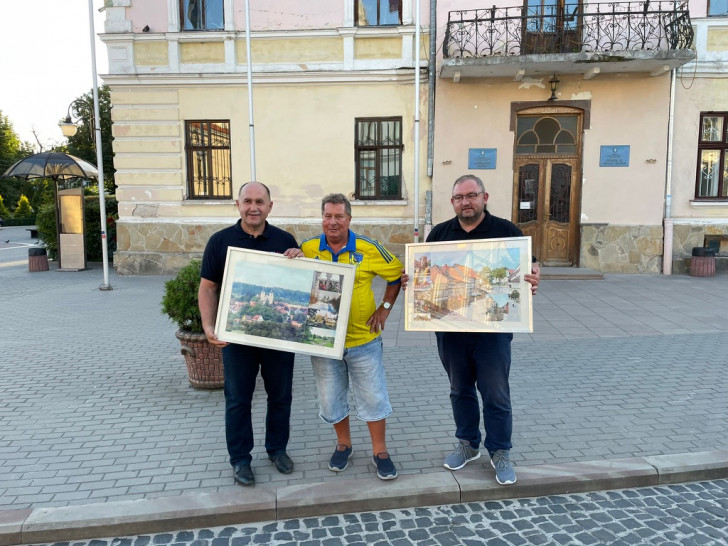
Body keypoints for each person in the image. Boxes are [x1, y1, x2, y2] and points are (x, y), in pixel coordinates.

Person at [426, 174, 540, 485]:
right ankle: (468, 444)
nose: (466, 202)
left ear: (484, 197)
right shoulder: (439, 234)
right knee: (459, 390)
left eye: (471, 195)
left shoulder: (507, 231)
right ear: (452, 202)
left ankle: (500, 451)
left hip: (493, 332)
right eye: (460, 197)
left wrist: (533, 275)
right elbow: (427, 276)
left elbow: (528, 267)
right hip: (451, 331)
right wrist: (416, 283)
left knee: (496, 393)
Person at [198, 181, 300, 487]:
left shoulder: (285, 240)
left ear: (270, 206)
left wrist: (300, 258)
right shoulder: (220, 241)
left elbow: (299, 283)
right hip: (237, 339)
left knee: (281, 396)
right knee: (238, 400)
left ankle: (277, 449)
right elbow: (208, 287)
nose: (253, 206)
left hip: (278, 337)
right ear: (237, 204)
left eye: (259, 201)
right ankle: (240, 460)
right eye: (247, 201)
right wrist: (208, 325)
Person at [300, 193, 403, 480]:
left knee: (372, 397)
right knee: (331, 399)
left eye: (339, 216)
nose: (333, 222)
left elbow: (396, 274)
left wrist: (384, 309)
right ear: (322, 218)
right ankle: (344, 444)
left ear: (349, 219)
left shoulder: (368, 248)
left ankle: (380, 451)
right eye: (328, 216)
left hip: (364, 341)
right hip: (323, 341)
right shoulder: (308, 248)